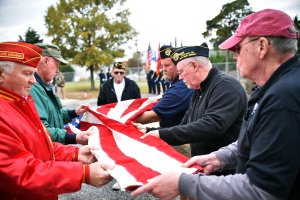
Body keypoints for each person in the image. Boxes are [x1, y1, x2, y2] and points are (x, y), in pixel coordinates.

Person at [131, 9, 300, 200]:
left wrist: (183, 183)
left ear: (262, 46)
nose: (234, 56)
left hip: (230, 184)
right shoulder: (275, 88)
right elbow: (254, 140)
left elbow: (263, 188)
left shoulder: (283, 96)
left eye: (237, 48)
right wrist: (219, 158)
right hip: (222, 177)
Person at [0, 41, 112, 199]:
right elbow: (21, 172)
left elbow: (40, 143)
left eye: (33, 73)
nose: (33, 80)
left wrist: (75, 154)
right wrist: (83, 173)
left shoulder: (22, 101)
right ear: (1, 75)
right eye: (27, 73)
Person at [139, 43, 248, 170]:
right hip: (206, 168)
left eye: (181, 72)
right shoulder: (199, 89)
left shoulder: (225, 87)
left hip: (226, 172)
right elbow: (184, 125)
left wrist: (161, 135)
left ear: (195, 66)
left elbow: (212, 125)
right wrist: (149, 131)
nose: (180, 77)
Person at [135, 45, 193, 156]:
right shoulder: (178, 85)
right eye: (162, 65)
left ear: (178, 66)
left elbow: (154, 115)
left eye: (167, 65)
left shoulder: (180, 88)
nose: (163, 69)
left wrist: (126, 118)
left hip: (180, 142)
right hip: (173, 134)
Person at [30, 43, 92, 145]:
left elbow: (54, 115)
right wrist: (73, 137)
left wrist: (75, 112)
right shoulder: (34, 88)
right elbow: (42, 129)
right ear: (46, 61)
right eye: (57, 65)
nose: (58, 70)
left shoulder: (42, 87)